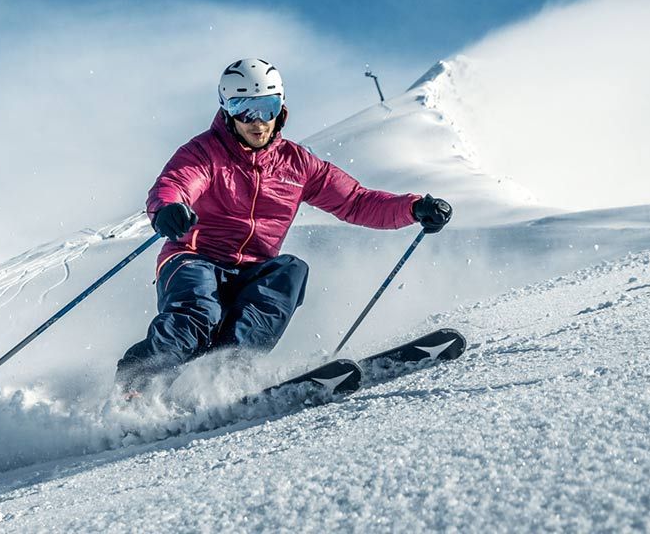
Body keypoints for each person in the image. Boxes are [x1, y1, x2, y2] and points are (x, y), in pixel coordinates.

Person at [116, 58, 453, 394]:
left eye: (268, 106)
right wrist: (169, 208)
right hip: (194, 258)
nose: (258, 121)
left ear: (281, 107)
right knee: (197, 315)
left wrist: (412, 208)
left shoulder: (297, 165)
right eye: (244, 108)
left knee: (289, 271)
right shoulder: (205, 152)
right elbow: (176, 182)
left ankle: (225, 378)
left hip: (253, 271)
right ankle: (133, 388)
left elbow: (356, 201)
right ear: (226, 109)